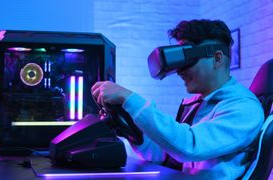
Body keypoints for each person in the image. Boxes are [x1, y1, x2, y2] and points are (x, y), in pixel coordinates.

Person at [91, 19, 264, 179]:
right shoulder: (199, 104)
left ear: (217, 59)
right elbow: (168, 155)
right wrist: (135, 134)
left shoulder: (243, 108)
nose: (180, 71)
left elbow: (190, 146)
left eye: (187, 60)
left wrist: (131, 99)